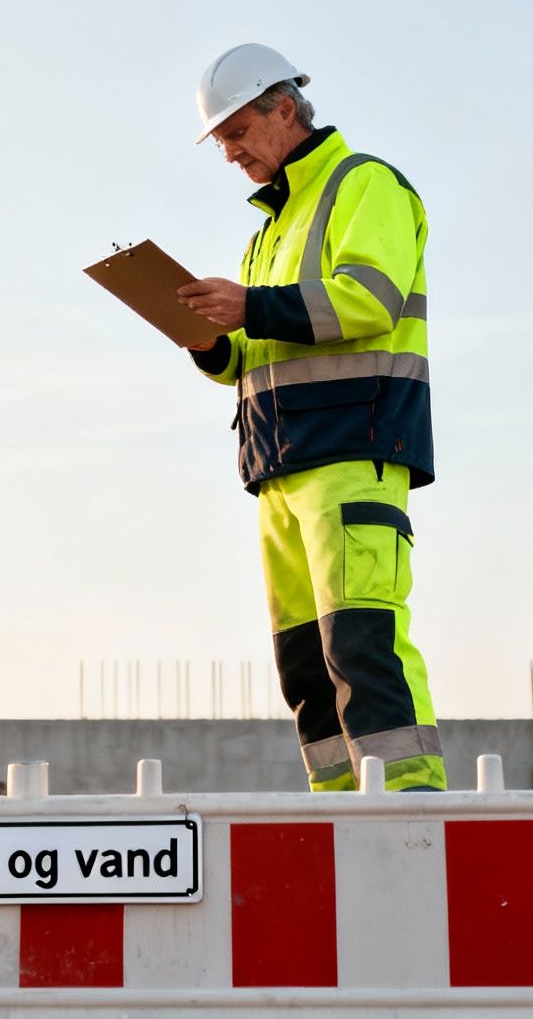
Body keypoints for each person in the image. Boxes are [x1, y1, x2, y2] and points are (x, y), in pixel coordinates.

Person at [175, 43, 444, 792]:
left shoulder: (365, 185)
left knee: (363, 642)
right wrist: (210, 343)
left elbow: (370, 298)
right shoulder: (269, 230)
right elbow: (252, 355)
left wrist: (251, 305)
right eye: (222, 140)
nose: (228, 153)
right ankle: (339, 811)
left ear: (283, 108)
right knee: (306, 662)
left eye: (235, 133)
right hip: (279, 469)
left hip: (351, 449)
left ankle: (409, 808)